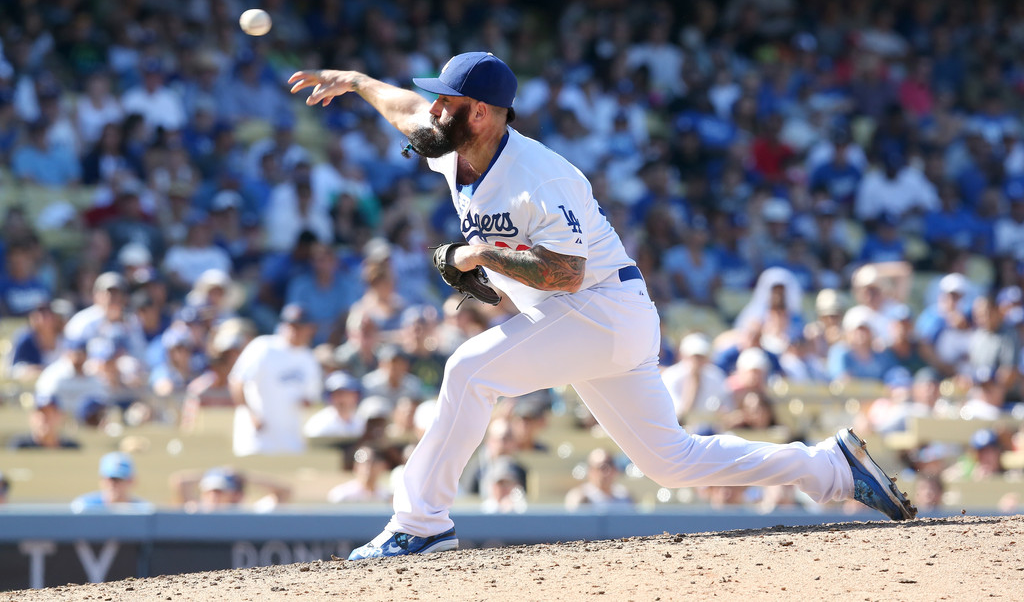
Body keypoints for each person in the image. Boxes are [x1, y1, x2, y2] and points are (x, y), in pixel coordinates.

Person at [289, 51, 916, 560]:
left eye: (446, 100)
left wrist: (480, 257)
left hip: (597, 305)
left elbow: (566, 272)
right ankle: (829, 469)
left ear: (478, 113)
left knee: (467, 372)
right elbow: (405, 111)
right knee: (670, 461)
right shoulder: (456, 147)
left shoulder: (541, 175)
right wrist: (355, 81)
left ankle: (421, 521)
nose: (434, 108)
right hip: (596, 317)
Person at [229, 303, 322, 456]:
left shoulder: (309, 359)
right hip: (257, 440)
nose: (294, 330)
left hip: (291, 443)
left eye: (299, 326)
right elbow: (237, 381)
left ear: (310, 329)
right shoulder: (263, 347)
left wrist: (306, 402)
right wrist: (250, 414)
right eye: (290, 325)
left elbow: (311, 398)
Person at [71, 451, 151, 511]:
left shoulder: (143, 509)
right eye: (110, 479)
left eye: (119, 479)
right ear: (102, 480)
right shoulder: (84, 507)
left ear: (131, 481)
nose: (113, 484)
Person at [564, 448, 634, 510]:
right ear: (590, 470)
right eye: (602, 467)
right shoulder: (581, 497)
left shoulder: (624, 496)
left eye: (611, 465)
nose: (607, 472)